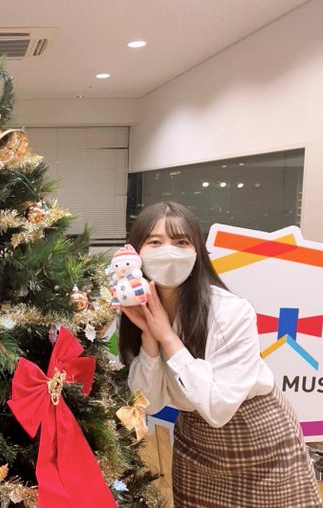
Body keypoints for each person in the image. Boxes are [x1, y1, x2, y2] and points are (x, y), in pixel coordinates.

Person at [119, 201, 323, 508]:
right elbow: (150, 402)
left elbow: (218, 407)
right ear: (136, 253)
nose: (169, 251)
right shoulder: (138, 310)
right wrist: (150, 337)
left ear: (197, 252)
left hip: (259, 438)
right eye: (155, 242)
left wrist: (168, 338)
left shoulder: (231, 311)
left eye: (181, 241)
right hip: (196, 443)